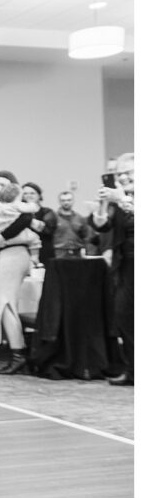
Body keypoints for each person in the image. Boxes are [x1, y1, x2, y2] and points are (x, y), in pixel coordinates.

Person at [0, 172, 36, 375]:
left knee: (4, 302)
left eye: (2, 185)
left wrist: (0, 237)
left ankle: (18, 354)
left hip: (14, 255)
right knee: (3, 302)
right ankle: (17, 351)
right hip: (9, 255)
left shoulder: (18, 207)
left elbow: (24, 221)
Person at [90, 153, 134, 386]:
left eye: (129, 172)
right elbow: (101, 225)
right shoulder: (120, 199)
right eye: (121, 173)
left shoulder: (127, 199)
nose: (124, 177)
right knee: (124, 315)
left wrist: (123, 198)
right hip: (124, 263)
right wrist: (105, 202)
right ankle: (132, 369)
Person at [0, 179, 41, 267]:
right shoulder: (17, 205)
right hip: (18, 237)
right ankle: (34, 257)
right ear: (17, 196)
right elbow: (30, 209)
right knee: (34, 238)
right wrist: (34, 205)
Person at [20, 182, 57, 267]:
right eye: (25, 193)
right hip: (23, 252)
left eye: (32, 193)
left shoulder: (47, 212)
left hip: (44, 251)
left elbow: (48, 230)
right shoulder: (18, 212)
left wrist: (27, 219)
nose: (28, 195)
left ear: (39, 195)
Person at [52, 190, 91, 258]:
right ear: (59, 202)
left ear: (73, 201)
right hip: (59, 252)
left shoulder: (80, 218)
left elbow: (86, 236)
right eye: (63, 200)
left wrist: (85, 249)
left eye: (68, 200)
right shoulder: (53, 218)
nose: (66, 202)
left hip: (77, 252)